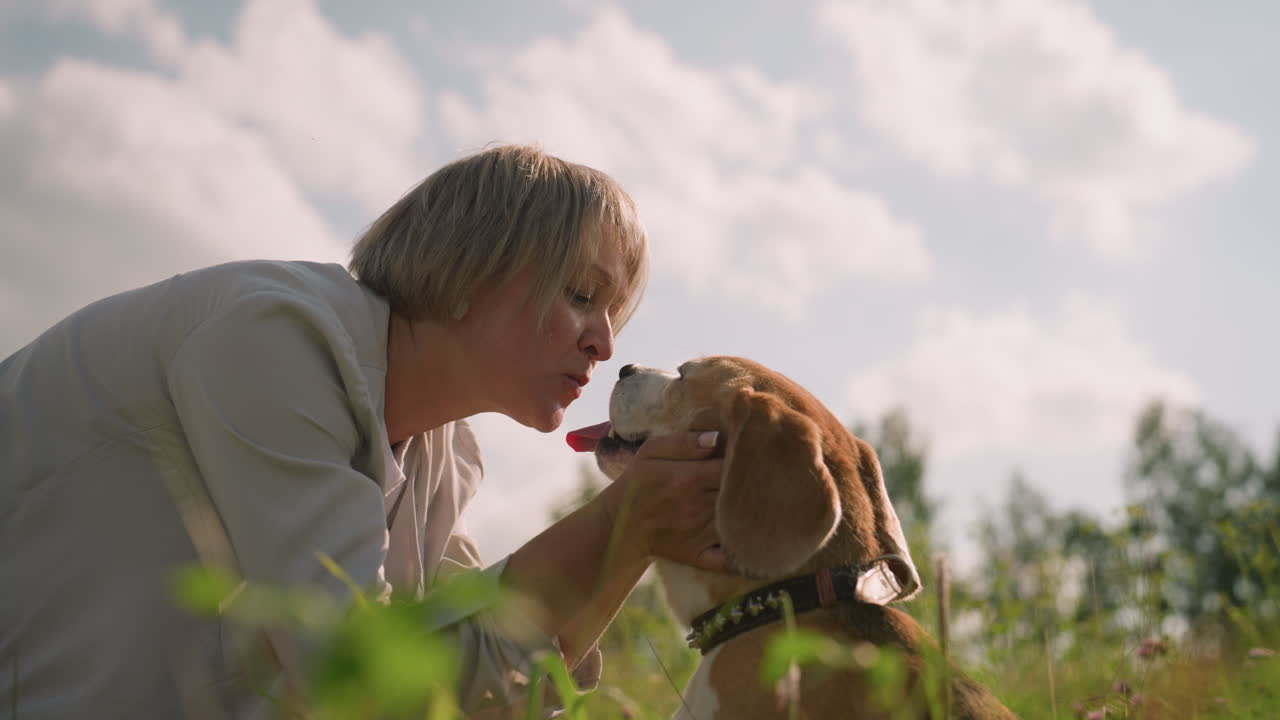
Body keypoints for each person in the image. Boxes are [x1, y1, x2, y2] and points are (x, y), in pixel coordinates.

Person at [0, 144, 725, 718]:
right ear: (474, 268)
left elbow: (476, 675)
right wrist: (624, 520)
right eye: (582, 294)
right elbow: (351, 677)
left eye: (613, 314)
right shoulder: (272, 338)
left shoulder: (446, 455)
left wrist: (636, 533)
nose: (604, 342)